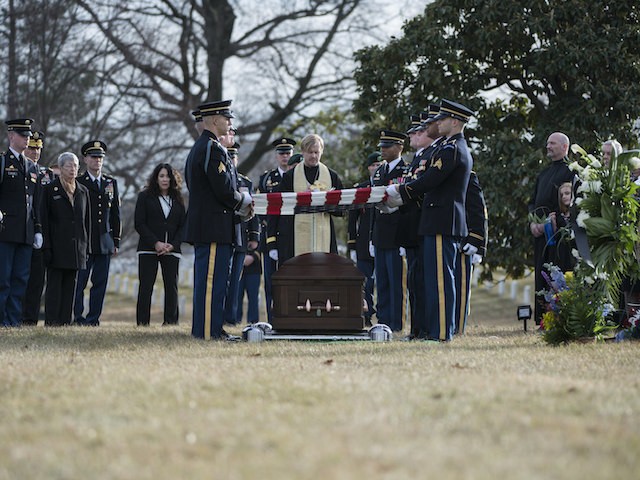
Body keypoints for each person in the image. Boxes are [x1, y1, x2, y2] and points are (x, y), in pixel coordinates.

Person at [386, 99, 474, 342]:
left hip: (442, 220)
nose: (438, 123)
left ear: (455, 122)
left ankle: (442, 332)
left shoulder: (452, 149)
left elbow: (430, 181)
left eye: (443, 119)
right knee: (434, 280)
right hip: (436, 219)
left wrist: (401, 193)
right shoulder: (446, 147)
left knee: (441, 281)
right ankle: (436, 331)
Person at [183, 99, 252, 340]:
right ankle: (207, 331)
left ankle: (212, 328)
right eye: (226, 118)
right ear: (214, 120)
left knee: (216, 281)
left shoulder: (208, 147)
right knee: (211, 281)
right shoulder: (210, 148)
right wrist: (244, 202)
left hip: (214, 225)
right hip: (212, 226)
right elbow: (222, 189)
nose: (230, 122)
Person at [267, 133, 343, 264]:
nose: (313, 156)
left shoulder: (331, 176)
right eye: (309, 152)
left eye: (316, 152)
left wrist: (325, 200)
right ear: (302, 152)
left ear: (321, 152)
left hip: (324, 235)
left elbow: (341, 210)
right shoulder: (290, 176)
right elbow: (278, 208)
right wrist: (272, 241)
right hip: (294, 237)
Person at [527, 132, 575, 326]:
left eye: (552, 143)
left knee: (558, 278)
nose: (548, 146)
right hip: (541, 237)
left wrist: (556, 221)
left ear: (564, 147)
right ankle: (542, 320)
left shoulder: (572, 172)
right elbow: (532, 203)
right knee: (541, 276)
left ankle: (559, 320)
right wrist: (534, 224)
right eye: (547, 143)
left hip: (560, 237)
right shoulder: (543, 174)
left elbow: (571, 202)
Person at [399, 108, 438, 339]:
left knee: (422, 282)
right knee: (414, 282)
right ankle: (416, 329)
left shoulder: (431, 155)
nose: (413, 137)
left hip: (423, 224)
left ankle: (424, 329)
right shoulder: (419, 157)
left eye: (417, 132)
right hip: (413, 228)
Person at [74, 140, 121, 326]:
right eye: (93, 157)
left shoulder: (111, 182)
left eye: (100, 158)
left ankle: (94, 318)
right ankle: (78, 317)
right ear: (85, 159)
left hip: (104, 242)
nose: (97, 161)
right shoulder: (79, 182)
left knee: (100, 284)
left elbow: (116, 213)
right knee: (80, 283)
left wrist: (115, 240)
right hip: (85, 242)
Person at [0, 118, 41, 327]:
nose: (26, 139)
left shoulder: (32, 167)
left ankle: (13, 321)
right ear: (10, 136)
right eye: (22, 135)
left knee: (20, 280)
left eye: (28, 135)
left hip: (25, 232)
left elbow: (36, 203)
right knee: (3, 279)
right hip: (5, 231)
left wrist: (38, 230)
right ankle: (2, 320)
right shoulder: (2, 162)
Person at [134, 163, 187, 326]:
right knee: (146, 287)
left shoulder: (178, 199)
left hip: (172, 249)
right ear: (156, 178)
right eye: (162, 176)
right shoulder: (144, 197)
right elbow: (140, 223)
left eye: (168, 176)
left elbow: (183, 226)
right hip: (148, 248)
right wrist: (155, 243)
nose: (165, 179)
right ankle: (143, 323)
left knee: (171, 286)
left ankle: (171, 322)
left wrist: (172, 245)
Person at [41, 152, 90, 326]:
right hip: (56, 246)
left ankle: (65, 322)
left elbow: (87, 223)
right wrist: (46, 246)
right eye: (69, 165)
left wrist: (86, 248)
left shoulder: (83, 191)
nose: (72, 169)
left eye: (75, 165)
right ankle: (51, 321)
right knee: (54, 286)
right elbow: (44, 220)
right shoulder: (50, 189)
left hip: (76, 248)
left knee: (71, 286)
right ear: (60, 168)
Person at [370, 130, 409, 333]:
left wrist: (404, 240)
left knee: (397, 284)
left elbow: (406, 206)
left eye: (388, 146)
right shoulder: (379, 171)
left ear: (400, 147)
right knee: (382, 282)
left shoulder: (406, 170)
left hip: (397, 234)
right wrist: (371, 237)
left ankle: (397, 324)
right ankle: (383, 321)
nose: (383, 150)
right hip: (380, 233)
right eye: (382, 146)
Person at [257, 137, 296, 322]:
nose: (285, 157)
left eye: (288, 153)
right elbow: (260, 208)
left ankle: (291, 317)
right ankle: (273, 319)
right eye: (282, 153)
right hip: (271, 235)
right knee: (271, 282)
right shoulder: (266, 179)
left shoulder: (298, 177)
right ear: (276, 156)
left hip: (293, 235)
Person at [223, 141, 259, 326]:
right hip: (224, 233)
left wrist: (254, 236)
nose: (231, 159)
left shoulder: (246, 182)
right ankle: (223, 316)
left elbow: (253, 212)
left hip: (241, 236)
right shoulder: (223, 180)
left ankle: (231, 318)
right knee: (225, 280)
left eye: (233, 156)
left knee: (236, 281)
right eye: (228, 156)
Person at [23, 131, 56, 325]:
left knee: (36, 281)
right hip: (21, 231)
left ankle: (30, 319)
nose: (35, 152)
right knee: (18, 278)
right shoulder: (19, 169)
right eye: (32, 147)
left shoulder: (47, 174)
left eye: (38, 148)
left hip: (41, 233)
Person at [348, 151, 382, 327]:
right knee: (365, 282)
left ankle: (383, 316)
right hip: (363, 244)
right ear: (368, 168)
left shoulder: (386, 186)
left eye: (379, 165)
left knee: (383, 281)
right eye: (373, 165)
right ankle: (366, 315)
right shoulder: (360, 189)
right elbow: (352, 220)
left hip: (382, 241)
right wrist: (352, 245)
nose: (376, 168)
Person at [454, 171, 488, 335]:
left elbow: (479, 211)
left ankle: (458, 327)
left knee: (460, 288)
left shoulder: (468, 176)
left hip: (464, 241)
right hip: (447, 237)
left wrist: (477, 242)